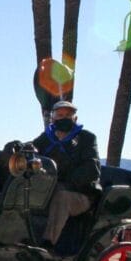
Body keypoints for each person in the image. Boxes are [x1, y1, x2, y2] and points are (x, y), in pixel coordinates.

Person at [31, 101, 100, 245]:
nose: (64, 118)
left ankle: (47, 244)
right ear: (53, 118)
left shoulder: (87, 138)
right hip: (47, 191)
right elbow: (31, 150)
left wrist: (63, 179)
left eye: (68, 115)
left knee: (61, 196)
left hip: (80, 194)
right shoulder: (46, 138)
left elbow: (93, 169)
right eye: (60, 115)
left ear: (75, 119)